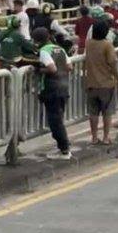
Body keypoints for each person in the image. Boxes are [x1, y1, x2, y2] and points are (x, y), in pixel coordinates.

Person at [33, 27, 73, 160]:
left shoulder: (44, 51)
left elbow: (52, 68)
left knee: (55, 121)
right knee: (59, 119)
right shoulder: (59, 48)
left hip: (51, 89)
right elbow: (69, 67)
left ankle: (64, 150)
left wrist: (39, 70)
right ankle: (64, 146)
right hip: (63, 88)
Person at [84, 20, 118, 145]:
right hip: (106, 83)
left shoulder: (89, 43)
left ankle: (94, 137)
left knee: (93, 112)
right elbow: (112, 63)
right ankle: (106, 137)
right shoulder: (107, 45)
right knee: (107, 112)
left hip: (91, 83)